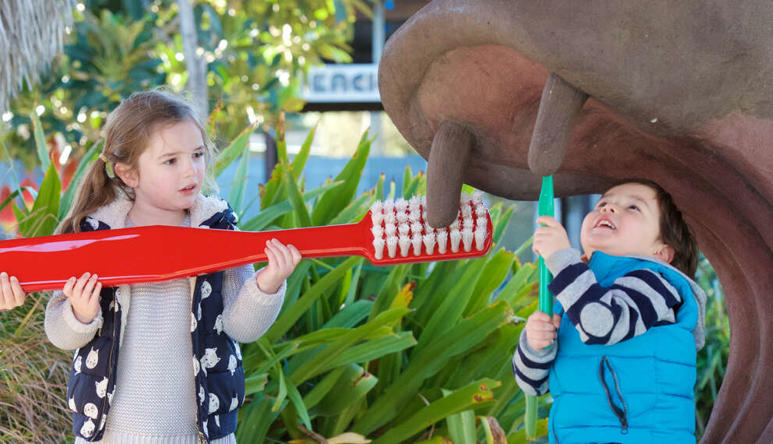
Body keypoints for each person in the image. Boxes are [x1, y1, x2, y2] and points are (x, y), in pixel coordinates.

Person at [45, 90, 301, 443]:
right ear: (128, 173)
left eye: (197, 155)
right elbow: (59, 334)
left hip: (201, 435)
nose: (191, 170)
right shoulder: (95, 238)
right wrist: (80, 313)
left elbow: (241, 328)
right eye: (171, 161)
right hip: (111, 435)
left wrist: (268, 284)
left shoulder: (218, 231)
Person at [513, 179, 706, 444]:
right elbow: (532, 384)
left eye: (633, 208)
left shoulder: (659, 284)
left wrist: (561, 257)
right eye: (603, 202)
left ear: (661, 252)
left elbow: (602, 323)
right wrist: (536, 346)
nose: (609, 208)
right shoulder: (574, 294)